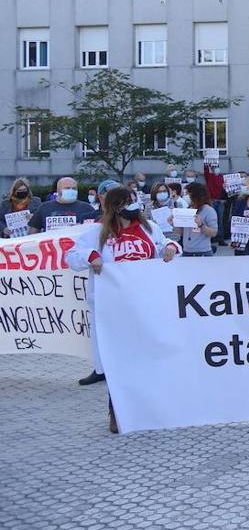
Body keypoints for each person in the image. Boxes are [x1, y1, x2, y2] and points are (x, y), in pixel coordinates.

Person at [66, 185, 180, 430]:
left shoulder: (150, 229)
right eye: (127, 202)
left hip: (146, 304)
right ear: (116, 208)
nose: (133, 206)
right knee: (119, 361)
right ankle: (117, 411)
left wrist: (171, 248)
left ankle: (150, 409)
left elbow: (164, 245)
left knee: (148, 358)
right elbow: (71, 256)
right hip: (114, 308)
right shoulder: (98, 233)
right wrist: (90, 257)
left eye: (134, 201)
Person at [28, 177, 97, 233]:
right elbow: (33, 233)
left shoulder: (86, 208)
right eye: (67, 188)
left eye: (74, 188)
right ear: (58, 190)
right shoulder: (44, 208)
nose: (71, 190)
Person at [176, 181, 219, 257]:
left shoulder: (209, 210)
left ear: (195, 195)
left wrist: (201, 225)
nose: (186, 196)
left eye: (188, 194)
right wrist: (174, 223)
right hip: (186, 251)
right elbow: (180, 233)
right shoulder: (187, 210)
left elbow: (214, 233)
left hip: (203, 252)